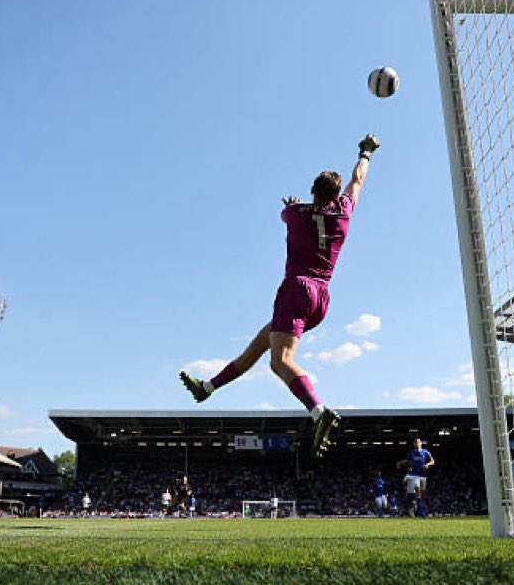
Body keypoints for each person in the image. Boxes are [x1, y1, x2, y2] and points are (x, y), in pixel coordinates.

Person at [180, 134, 381, 456]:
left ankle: (318, 412)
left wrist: (291, 206)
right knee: (260, 344)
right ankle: (207, 388)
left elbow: (285, 214)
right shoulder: (343, 212)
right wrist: (366, 152)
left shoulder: (296, 214)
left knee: (281, 361)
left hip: (296, 289)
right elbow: (357, 180)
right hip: (321, 297)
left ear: (313, 191)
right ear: (334, 195)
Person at [398, 439, 435, 517]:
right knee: (418, 491)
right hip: (414, 475)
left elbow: (433, 461)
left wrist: (428, 464)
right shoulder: (411, 452)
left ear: (421, 443)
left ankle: (409, 508)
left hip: (423, 475)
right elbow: (408, 461)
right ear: (414, 444)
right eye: (415, 442)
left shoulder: (425, 452)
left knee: (419, 494)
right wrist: (401, 463)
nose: (417, 443)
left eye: (418, 442)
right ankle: (422, 513)